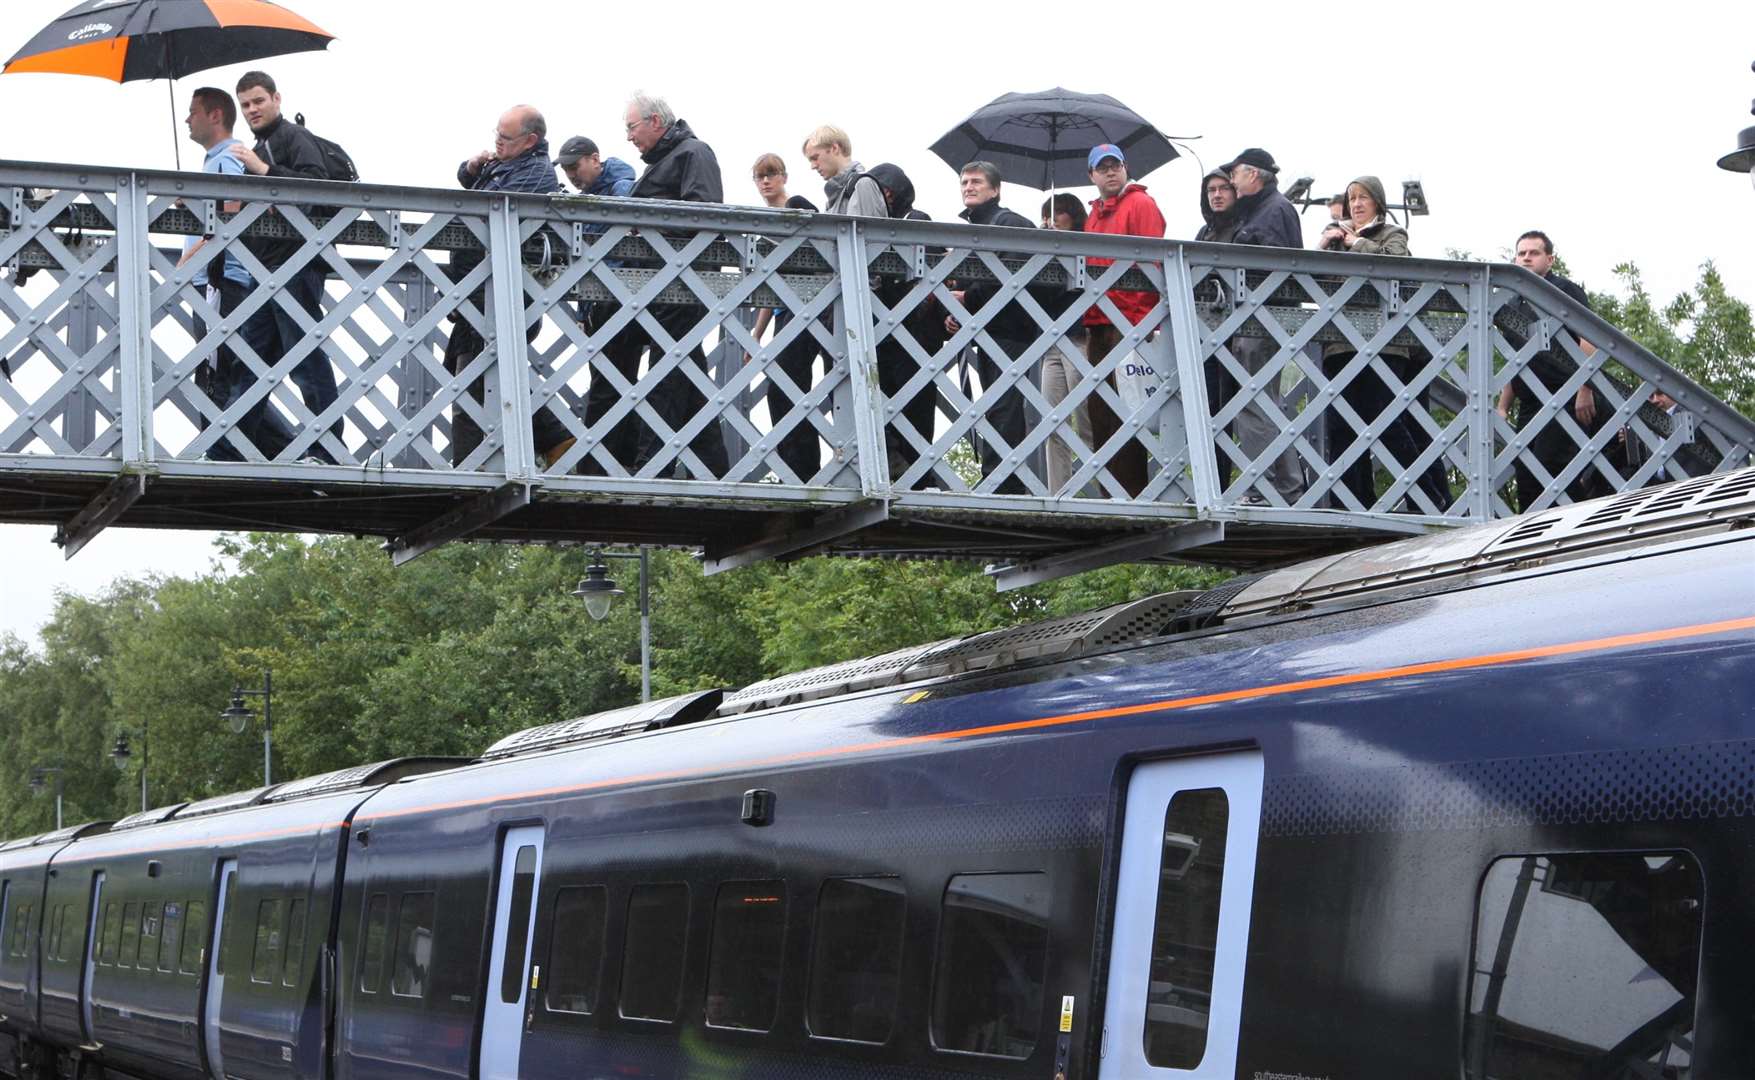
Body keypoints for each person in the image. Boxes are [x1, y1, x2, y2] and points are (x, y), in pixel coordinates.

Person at [580, 93, 729, 478]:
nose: (628, 137)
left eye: (632, 127)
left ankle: (649, 468)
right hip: (654, 285)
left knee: (665, 373)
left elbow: (705, 214)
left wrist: (644, 227)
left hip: (677, 285)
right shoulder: (667, 159)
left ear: (656, 123)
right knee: (685, 377)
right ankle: (712, 471)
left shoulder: (693, 153)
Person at [446, 105, 576, 469]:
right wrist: (471, 169)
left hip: (501, 294)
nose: (498, 143)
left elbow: (484, 211)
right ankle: (553, 438)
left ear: (531, 140)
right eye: (497, 135)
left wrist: (481, 177)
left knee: (472, 376)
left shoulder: (535, 174)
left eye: (506, 138)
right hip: (482, 291)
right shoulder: (512, 166)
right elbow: (476, 197)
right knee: (479, 371)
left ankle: (471, 466)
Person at [176, 86, 297, 462]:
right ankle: (247, 451)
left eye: (193, 112)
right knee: (223, 373)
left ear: (214, 116)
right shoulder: (218, 159)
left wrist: (190, 257)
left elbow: (232, 211)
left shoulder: (227, 156)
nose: (186, 119)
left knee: (220, 374)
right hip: (217, 279)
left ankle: (253, 451)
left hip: (220, 279)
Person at [1316, 175, 1448, 511]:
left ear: (1377, 201)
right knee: (1342, 426)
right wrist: (1323, 248)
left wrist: (1353, 243)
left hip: (1385, 344)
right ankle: (1352, 505)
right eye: (1352, 199)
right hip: (1340, 343)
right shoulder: (1335, 237)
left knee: (1388, 421)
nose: (1356, 204)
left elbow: (1396, 266)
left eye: (1363, 198)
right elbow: (1313, 280)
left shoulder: (1392, 234)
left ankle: (1428, 498)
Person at [230, 70, 343, 463]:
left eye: (258, 101)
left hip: (297, 265)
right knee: (250, 360)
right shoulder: (260, 146)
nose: (251, 110)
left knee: (305, 358)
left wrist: (262, 170)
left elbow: (317, 187)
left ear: (277, 99)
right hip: (267, 268)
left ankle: (327, 448)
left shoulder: (295, 138)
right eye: (244, 105)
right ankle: (232, 447)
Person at [1218, 148, 1307, 503]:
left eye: (1235, 174)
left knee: (1253, 405)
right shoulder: (1269, 208)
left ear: (1254, 175)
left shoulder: (1273, 210)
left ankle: (1266, 487)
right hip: (1260, 318)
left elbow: (1276, 266)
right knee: (1262, 403)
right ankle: (1286, 487)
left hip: (1263, 318)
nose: (1231, 182)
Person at [1494, 230, 1605, 509]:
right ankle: (1531, 541)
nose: (1526, 258)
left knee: (1551, 466)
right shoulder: (1511, 303)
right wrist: (1503, 406)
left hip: (1565, 392)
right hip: (1530, 401)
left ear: (1550, 259)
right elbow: (1514, 359)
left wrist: (1585, 388)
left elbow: (1590, 338)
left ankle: (1579, 528)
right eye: (1522, 253)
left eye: (1534, 253)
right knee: (1525, 470)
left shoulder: (1565, 290)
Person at [1080, 144, 1166, 498]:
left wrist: (1144, 321)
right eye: (1103, 168)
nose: (1111, 172)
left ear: (1126, 169)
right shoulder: (1093, 215)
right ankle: (1109, 492)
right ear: (1092, 176)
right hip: (1099, 321)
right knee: (1100, 410)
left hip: (1129, 321)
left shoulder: (1141, 204)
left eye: (1116, 166)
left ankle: (1131, 493)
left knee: (1128, 411)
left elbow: (1155, 263)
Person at [951, 161, 1036, 494]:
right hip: (990, 330)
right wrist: (961, 308)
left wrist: (967, 299)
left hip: (1011, 330)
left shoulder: (1007, 222)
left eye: (976, 181)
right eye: (964, 182)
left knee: (1004, 407)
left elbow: (1006, 281)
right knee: (997, 406)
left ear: (995, 189)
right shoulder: (980, 226)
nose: (968, 187)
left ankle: (1003, 484)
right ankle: (998, 479)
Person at [747, 153, 823, 481]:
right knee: (781, 390)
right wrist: (757, 332)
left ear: (784, 177)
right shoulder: (764, 222)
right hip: (783, 311)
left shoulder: (797, 205)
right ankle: (793, 467)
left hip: (806, 308)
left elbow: (825, 245)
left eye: (771, 174)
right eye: (760, 176)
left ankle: (803, 470)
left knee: (791, 388)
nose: (766, 181)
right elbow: (770, 285)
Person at [1039, 193, 1090, 494]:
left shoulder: (1087, 242)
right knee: (1052, 419)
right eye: (1047, 214)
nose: (1051, 219)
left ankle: (1099, 490)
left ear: (1074, 216)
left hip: (1080, 336)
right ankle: (1058, 492)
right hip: (1051, 340)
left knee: (1085, 417)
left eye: (1058, 213)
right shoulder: (1044, 247)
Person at [803, 126, 886, 216]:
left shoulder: (863, 184)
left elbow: (865, 229)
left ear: (835, 148)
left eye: (815, 158)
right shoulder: (837, 194)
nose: (813, 166)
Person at [553, 136, 636, 197]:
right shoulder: (587, 194)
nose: (571, 175)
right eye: (565, 170)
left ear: (595, 160)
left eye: (574, 168)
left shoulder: (622, 188)